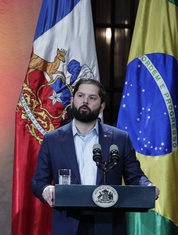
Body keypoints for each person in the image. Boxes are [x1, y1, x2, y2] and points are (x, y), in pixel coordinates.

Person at [30, 78, 160, 235]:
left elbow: (135, 176)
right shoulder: (53, 140)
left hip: (109, 224)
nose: (85, 101)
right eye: (80, 96)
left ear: (102, 106)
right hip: (69, 225)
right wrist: (46, 189)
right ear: (72, 101)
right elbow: (38, 181)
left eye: (92, 98)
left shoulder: (119, 138)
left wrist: (147, 187)